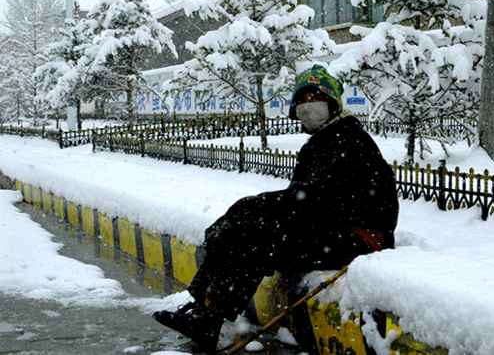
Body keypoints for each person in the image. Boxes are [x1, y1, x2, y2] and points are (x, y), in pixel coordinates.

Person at [152, 65, 399, 352]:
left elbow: (313, 198)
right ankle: (200, 307)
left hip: (361, 238)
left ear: (332, 103)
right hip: (329, 227)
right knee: (248, 227)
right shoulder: (319, 142)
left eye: (315, 98)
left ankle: (210, 318)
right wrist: (243, 215)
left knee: (258, 237)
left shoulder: (349, 139)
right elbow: (299, 202)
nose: (309, 107)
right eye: (302, 100)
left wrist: (250, 207)